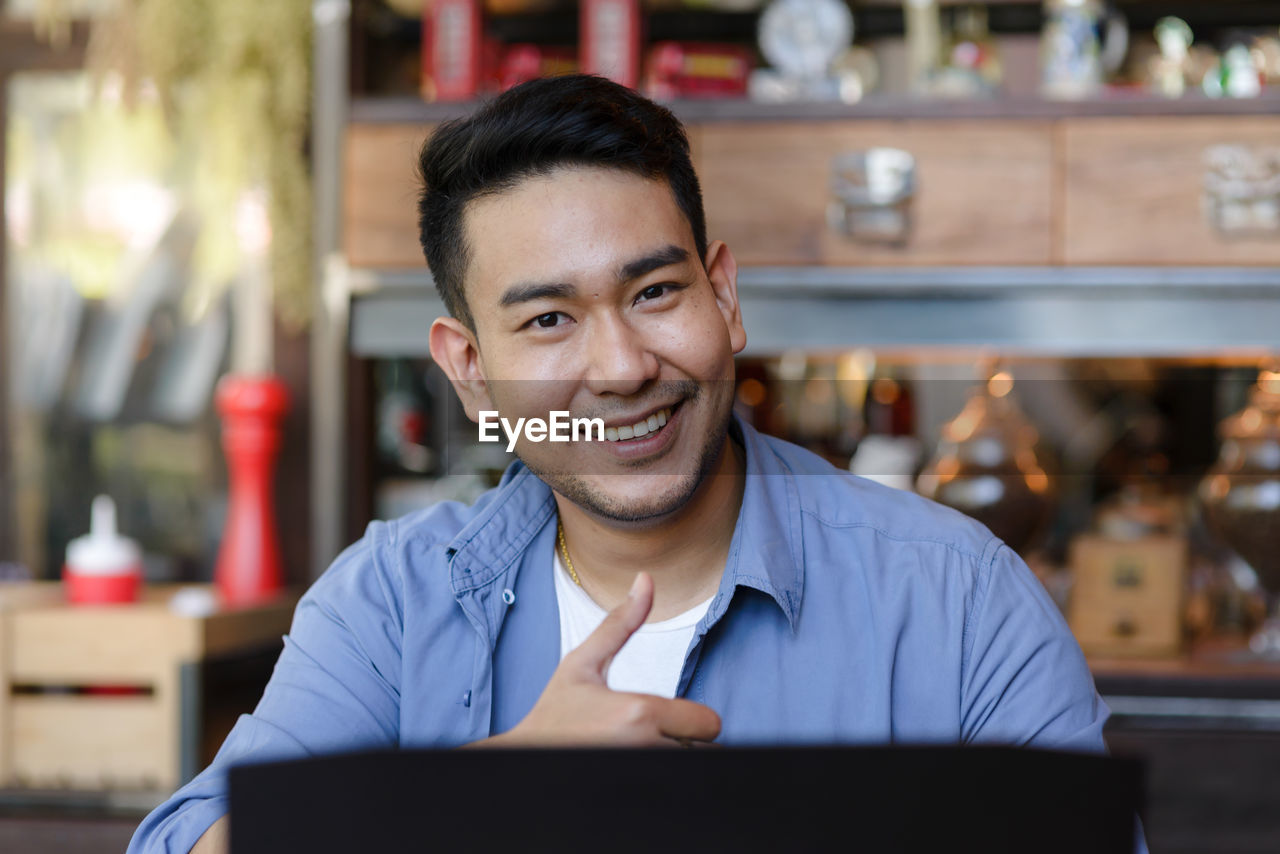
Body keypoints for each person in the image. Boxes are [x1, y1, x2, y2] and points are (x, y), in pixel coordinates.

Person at [129, 74, 1146, 853]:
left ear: (723, 297)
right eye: (547, 319)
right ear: (472, 373)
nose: (620, 368)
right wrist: (489, 791)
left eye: (654, 293)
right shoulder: (391, 603)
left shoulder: (957, 601)